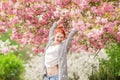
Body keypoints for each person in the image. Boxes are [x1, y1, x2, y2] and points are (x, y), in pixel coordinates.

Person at [41, 16, 77, 80]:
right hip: (47, 76)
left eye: (61, 37)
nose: (59, 39)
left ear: (64, 38)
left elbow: (70, 37)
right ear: (54, 36)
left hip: (56, 77)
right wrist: (59, 21)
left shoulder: (63, 46)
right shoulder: (50, 43)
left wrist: (77, 26)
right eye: (58, 36)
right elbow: (52, 29)